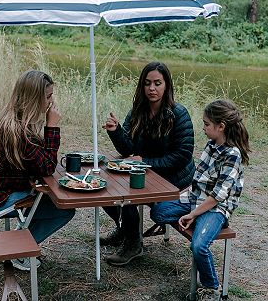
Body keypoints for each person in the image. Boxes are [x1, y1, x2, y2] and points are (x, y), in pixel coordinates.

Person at [0, 69, 75, 271]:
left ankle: (21, 237)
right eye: (48, 97)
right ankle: (19, 251)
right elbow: (46, 168)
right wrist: (52, 126)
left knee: (49, 200)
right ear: (34, 99)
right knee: (64, 209)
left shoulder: (11, 119)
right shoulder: (18, 132)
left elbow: (39, 162)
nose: (51, 102)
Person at [150, 99, 250, 301]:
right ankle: (195, 219)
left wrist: (193, 214)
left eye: (206, 124)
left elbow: (217, 196)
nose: (203, 128)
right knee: (158, 212)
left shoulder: (233, 155)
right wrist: (184, 201)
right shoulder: (211, 144)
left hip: (215, 208)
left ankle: (211, 287)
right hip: (194, 198)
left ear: (221, 127)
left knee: (199, 245)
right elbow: (199, 180)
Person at [101, 61, 196, 266]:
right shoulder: (138, 111)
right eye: (147, 83)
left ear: (166, 85)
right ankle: (126, 230)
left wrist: (144, 162)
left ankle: (134, 244)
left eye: (157, 83)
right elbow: (127, 149)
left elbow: (182, 155)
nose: (152, 88)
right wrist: (116, 131)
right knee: (105, 186)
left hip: (175, 177)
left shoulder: (179, 114)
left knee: (127, 193)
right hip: (146, 171)